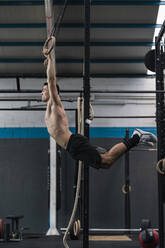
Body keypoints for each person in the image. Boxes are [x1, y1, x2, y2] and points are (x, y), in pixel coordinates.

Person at [41, 36, 157, 169]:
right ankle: (136, 139)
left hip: (73, 144)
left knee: (106, 161)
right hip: (72, 147)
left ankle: (137, 137)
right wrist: (47, 65)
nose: (42, 92)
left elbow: (51, 80)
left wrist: (49, 59)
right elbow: (49, 80)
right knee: (106, 159)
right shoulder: (49, 109)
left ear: (52, 91)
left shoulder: (55, 105)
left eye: (44, 90)